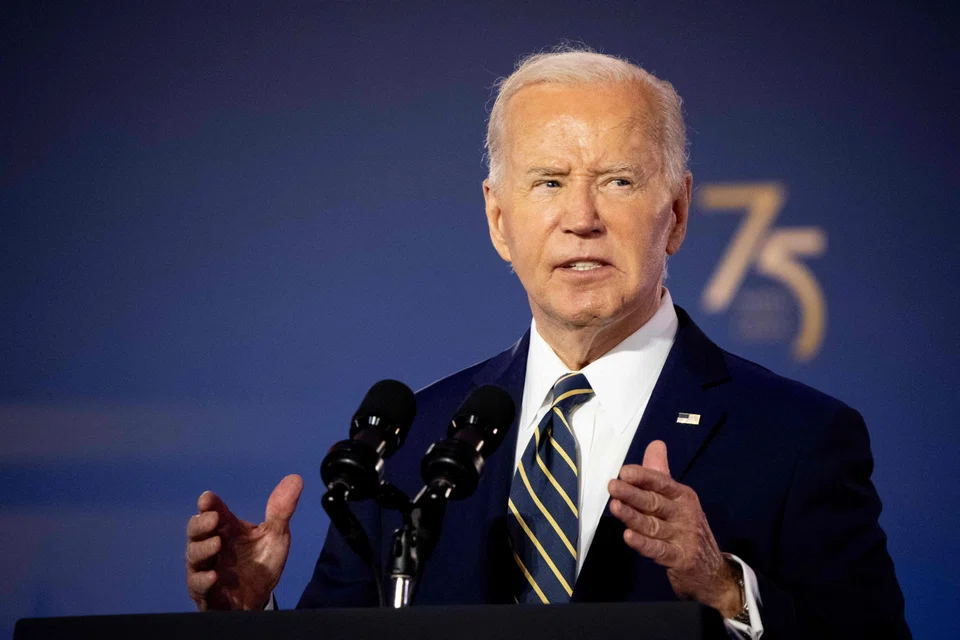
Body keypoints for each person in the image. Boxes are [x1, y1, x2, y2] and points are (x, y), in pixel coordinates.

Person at [185, 47, 910, 638]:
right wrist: (252, 620)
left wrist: (726, 589)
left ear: (678, 212)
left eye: (618, 181)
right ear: (499, 220)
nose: (581, 218)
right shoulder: (411, 449)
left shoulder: (797, 438)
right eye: (549, 182)